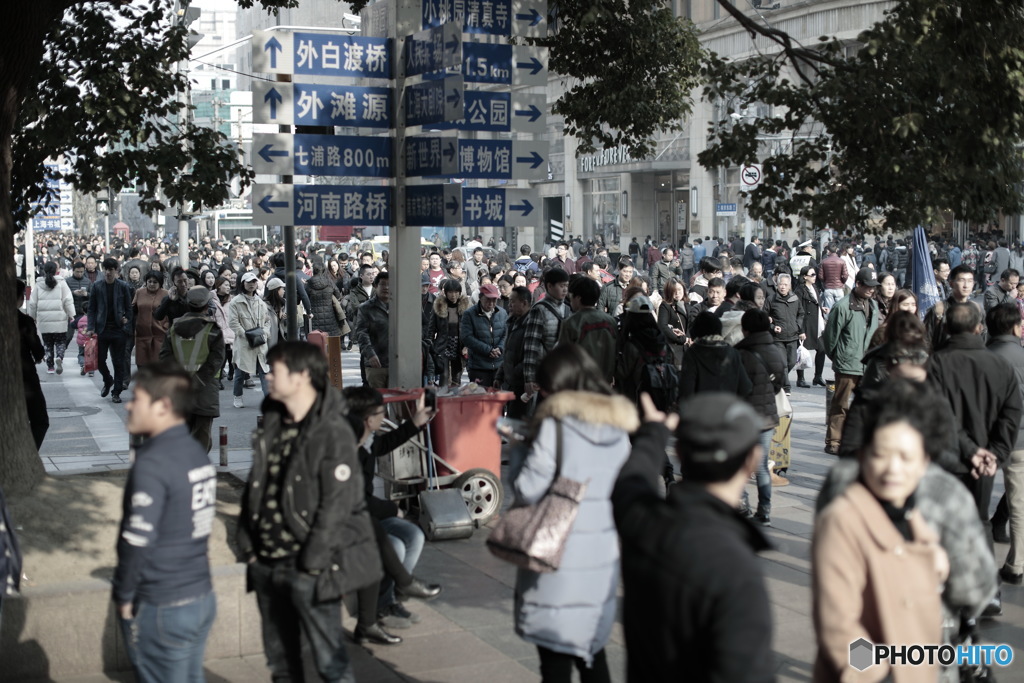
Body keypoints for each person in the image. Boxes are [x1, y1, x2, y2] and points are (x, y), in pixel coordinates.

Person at [236, 341, 382, 682]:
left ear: (302, 377)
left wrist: (312, 563)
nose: (268, 376)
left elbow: (337, 505)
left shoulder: (333, 429)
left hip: (307, 567)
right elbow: (258, 483)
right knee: (281, 664)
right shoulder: (274, 418)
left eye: (276, 371)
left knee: (330, 662)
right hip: (266, 563)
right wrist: (249, 545)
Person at [612, 392, 773, 681]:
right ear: (752, 460)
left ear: (681, 455)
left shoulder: (642, 521)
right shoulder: (736, 568)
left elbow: (630, 479)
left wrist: (653, 433)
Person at [510, 344, 637, 683]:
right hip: (602, 554)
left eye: (546, 389)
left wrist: (521, 451)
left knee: (555, 660)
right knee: (591, 650)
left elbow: (527, 489)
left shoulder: (554, 428)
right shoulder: (618, 428)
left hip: (558, 552)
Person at [812, 380, 950, 682]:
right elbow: (838, 625)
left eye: (906, 457)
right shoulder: (842, 521)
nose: (893, 469)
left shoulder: (914, 517)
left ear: (924, 463)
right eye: (881, 455)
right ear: (862, 457)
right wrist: (878, 671)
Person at [113, 364, 218, 683]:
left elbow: (137, 539)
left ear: (163, 406)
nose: (129, 405)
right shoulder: (195, 452)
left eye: (137, 399)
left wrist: (124, 594)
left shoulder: (153, 462)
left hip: (163, 603)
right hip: (200, 595)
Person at [928, 301, 1022, 617]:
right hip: (984, 462)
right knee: (979, 520)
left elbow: (939, 414)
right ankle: (987, 592)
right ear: (978, 328)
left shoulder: (935, 364)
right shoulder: (1000, 365)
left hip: (946, 458)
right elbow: (1012, 413)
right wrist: (995, 452)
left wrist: (976, 451)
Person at [342, 386, 443, 634]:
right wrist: (392, 509)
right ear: (368, 419)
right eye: (381, 411)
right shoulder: (344, 450)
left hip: (366, 516)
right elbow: (353, 501)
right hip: (347, 522)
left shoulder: (365, 439)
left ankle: (392, 597)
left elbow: (385, 444)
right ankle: (383, 604)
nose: (384, 414)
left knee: (414, 535)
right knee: (395, 546)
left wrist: (416, 422)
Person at [734, 309, 786, 525]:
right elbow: (779, 383)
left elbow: (734, 384)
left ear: (745, 329)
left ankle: (742, 504)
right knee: (762, 466)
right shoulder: (775, 351)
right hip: (766, 417)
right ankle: (764, 511)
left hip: (743, 418)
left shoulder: (739, 352)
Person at [159, 286, 225, 454]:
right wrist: (198, 381)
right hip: (205, 388)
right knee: (202, 433)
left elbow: (165, 358)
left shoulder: (173, 329)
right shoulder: (213, 330)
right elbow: (216, 360)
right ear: (207, 306)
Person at [822, 267, 880, 455]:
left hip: (867, 365)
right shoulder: (842, 306)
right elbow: (830, 338)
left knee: (867, 406)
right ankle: (834, 441)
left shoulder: (874, 305)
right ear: (858, 285)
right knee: (841, 405)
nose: (872, 290)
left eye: (874, 286)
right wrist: (840, 356)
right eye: (869, 286)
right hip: (847, 364)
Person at [986, 303, 1024, 584]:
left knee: (973, 503)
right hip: (1020, 440)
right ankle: (1016, 563)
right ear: (1015, 327)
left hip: (985, 440)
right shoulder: (1022, 354)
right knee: (1018, 502)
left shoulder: (984, 357)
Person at [87, 257, 134, 404]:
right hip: (102, 329)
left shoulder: (123, 286)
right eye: (106, 269)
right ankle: (108, 380)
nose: (108, 272)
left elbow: (129, 308)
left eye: (111, 270)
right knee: (100, 360)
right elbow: (91, 309)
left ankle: (116, 392)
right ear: (103, 270)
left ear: (116, 271)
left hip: (119, 330)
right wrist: (90, 327)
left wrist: (127, 322)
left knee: (118, 362)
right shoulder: (97, 286)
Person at [557, 276, 617, 386]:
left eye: (571, 297)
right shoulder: (611, 321)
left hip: (580, 384)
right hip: (605, 384)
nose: (570, 301)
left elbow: (564, 358)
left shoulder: (571, 323)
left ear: (578, 298)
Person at [679, 312, 752, 399]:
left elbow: (686, 391)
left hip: (701, 409)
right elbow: (745, 388)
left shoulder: (692, 354)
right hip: (728, 408)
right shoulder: (733, 353)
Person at [523, 268, 570, 400]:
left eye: (566, 286)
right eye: (561, 286)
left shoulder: (568, 309)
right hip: (544, 373)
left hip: (564, 373)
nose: (565, 290)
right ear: (549, 286)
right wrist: (529, 378)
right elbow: (531, 345)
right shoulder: (539, 309)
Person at [227, 271, 270, 408]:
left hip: (260, 342)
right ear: (242, 283)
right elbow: (233, 322)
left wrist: (265, 333)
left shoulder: (260, 302)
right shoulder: (235, 302)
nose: (252, 284)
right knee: (240, 372)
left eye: (254, 282)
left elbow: (267, 321)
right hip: (244, 342)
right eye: (248, 282)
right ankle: (237, 396)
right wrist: (245, 334)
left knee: (264, 371)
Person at [28, 261, 75, 375]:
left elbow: (32, 303)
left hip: (44, 320)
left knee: (47, 344)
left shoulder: (39, 284)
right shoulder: (61, 283)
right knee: (60, 342)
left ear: (44, 271)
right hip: (60, 319)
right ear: (56, 271)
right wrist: (71, 315)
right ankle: (59, 357)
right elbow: (67, 300)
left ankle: (50, 367)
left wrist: (32, 317)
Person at [17, 279, 48, 448]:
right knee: (39, 420)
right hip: (25, 378)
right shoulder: (24, 321)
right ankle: (28, 452)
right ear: (20, 298)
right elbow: (37, 351)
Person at [460, 282, 508, 387]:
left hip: (499, 366)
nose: (491, 304)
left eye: (494, 300)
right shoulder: (469, 314)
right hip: (478, 366)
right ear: (480, 298)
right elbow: (467, 337)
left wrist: (500, 348)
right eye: (488, 300)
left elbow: (506, 334)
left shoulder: (502, 313)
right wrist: (488, 350)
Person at [428, 279, 471, 388]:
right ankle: (442, 400)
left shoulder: (466, 308)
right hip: (443, 345)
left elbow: (469, 328)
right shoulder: (439, 306)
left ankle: (455, 401)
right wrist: (430, 347)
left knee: (457, 377)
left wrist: (467, 345)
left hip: (459, 346)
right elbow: (431, 329)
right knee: (444, 376)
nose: (453, 295)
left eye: (456, 292)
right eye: (450, 292)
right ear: (446, 292)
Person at [497, 286, 532, 419]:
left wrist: (513, 372)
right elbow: (508, 353)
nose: (510, 305)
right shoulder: (512, 322)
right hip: (510, 382)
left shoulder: (531, 324)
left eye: (513, 301)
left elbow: (531, 356)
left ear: (524, 303)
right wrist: (500, 375)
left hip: (522, 385)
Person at [766, 272, 805, 394]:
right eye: (780, 284)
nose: (782, 287)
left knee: (791, 362)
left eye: (785, 284)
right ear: (777, 285)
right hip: (777, 338)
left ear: (790, 286)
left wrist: (799, 327)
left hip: (792, 337)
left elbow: (801, 314)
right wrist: (772, 327)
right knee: (783, 363)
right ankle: (786, 387)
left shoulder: (795, 299)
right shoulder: (771, 299)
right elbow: (764, 316)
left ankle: (777, 379)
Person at [354, 271, 391, 389]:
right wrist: (370, 354)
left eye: (389, 284)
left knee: (400, 404)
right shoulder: (366, 308)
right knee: (378, 403)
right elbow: (361, 333)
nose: (386, 287)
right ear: (375, 286)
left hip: (397, 363)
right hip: (376, 363)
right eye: (383, 284)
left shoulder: (400, 306)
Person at [795, 265, 826, 387]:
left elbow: (816, 303)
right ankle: (800, 379)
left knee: (822, 349)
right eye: (812, 274)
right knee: (802, 351)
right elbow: (799, 310)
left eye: (815, 274)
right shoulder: (800, 290)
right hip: (807, 324)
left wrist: (822, 309)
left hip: (817, 323)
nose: (815, 277)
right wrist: (801, 330)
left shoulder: (814, 287)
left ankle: (818, 376)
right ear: (804, 276)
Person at [132, 272, 169, 369]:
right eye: (150, 281)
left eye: (155, 282)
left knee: (158, 368)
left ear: (160, 283)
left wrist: (165, 326)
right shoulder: (139, 292)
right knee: (142, 366)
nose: (152, 284)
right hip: (142, 335)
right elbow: (133, 309)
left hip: (159, 335)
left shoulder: (166, 294)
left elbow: (170, 313)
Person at [306, 257, 348, 337]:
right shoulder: (329, 281)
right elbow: (338, 294)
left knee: (318, 338)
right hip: (330, 314)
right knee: (331, 339)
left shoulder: (309, 283)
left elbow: (306, 297)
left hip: (315, 316)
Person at [65, 261, 91, 372]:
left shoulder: (88, 281)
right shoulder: (68, 281)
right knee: (68, 336)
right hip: (71, 312)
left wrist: (87, 294)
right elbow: (64, 295)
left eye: (81, 272)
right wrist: (72, 293)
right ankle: (60, 355)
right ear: (73, 271)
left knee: (85, 338)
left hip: (84, 313)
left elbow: (93, 296)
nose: (79, 274)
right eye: (77, 272)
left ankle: (84, 359)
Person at [816, 244, 848, 313]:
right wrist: (842, 282)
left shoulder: (824, 261)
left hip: (828, 287)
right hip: (839, 287)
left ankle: (828, 322)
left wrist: (825, 281)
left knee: (828, 309)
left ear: (828, 251)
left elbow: (820, 276)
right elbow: (845, 275)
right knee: (840, 308)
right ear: (836, 250)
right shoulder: (841, 261)